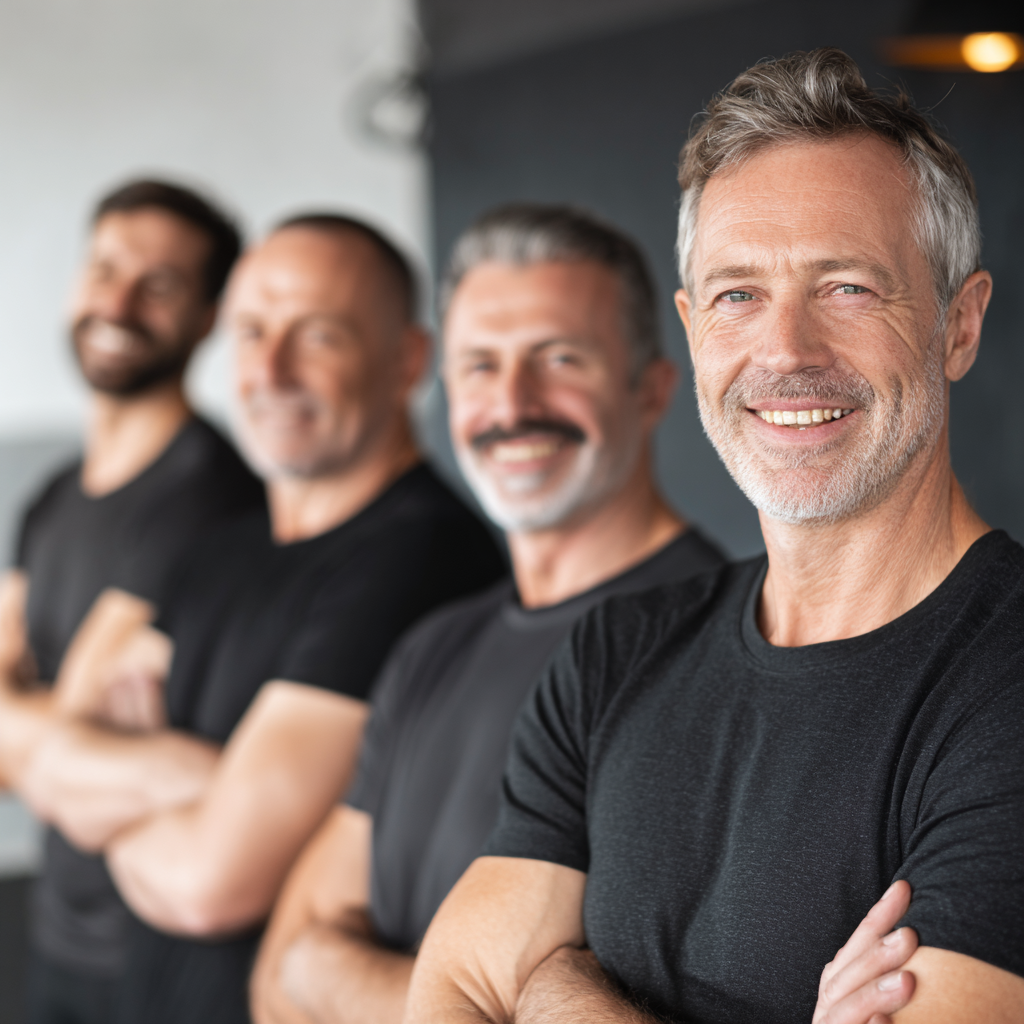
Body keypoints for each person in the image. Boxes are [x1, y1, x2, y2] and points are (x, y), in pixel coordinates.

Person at [402, 49, 1024, 1024]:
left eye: (847, 287)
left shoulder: (1005, 681)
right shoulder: (614, 654)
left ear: (959, 323)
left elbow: (507, 990)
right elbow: (456, 994)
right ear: (691, 330)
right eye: (738, 294)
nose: (785, 351)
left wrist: (557, 986)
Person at [6, 213, 506, 1024]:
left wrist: (115, 786)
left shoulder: (422, 554)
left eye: (317, 336)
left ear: (407, 361)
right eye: (251, 333)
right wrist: (199, 783)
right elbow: (49, 748)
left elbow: (211, 880)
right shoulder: (216, 548)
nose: (270, 372)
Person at [249, 204, 725, 1024]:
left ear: (650, 387)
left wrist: (334, 971)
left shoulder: (716, 646)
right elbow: (278, 974)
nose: (512, 404)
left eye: (559, 358)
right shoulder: (433, 647)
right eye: (479, 366)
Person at [0, 178, 264, 1024]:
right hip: (56, 929)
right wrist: (52, 738)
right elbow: (35, 753)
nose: (117, 301)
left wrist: (42, 729)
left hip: (160, 952)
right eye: (105, 268)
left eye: (158, 283)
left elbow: (62, 729)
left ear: (207, 316)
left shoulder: (209, 498)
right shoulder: (50, 497)